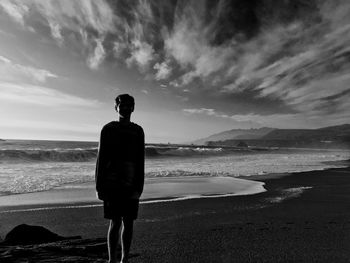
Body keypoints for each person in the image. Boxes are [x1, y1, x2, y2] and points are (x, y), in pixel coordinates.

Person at [95, 94, 145, 263]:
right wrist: (99, 186)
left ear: (133, 108)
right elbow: (101, 159)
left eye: (128, 105)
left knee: (129, 222)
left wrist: (139, 187)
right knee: (115, 222)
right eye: (122, 105)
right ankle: (112, 260)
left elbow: (140, 160)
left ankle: (125, 259)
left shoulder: (138, 131)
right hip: (111, 183)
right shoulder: (108, 129)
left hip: (131, 183)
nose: (125, 108)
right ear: (116, 107)